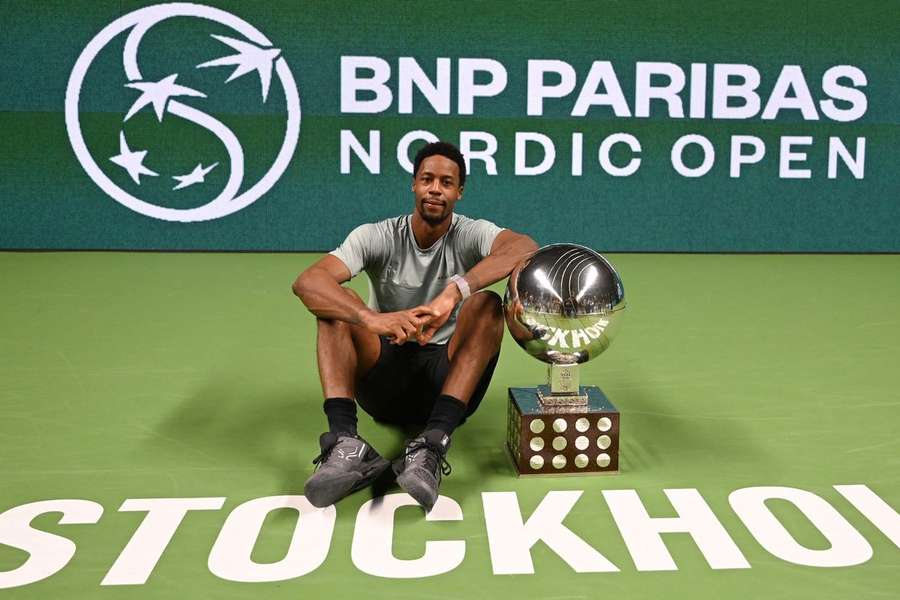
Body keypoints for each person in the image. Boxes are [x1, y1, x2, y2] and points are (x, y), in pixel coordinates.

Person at [292, 141, 537, 511]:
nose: (435, 188)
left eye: (446, 182)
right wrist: (371, 318)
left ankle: (432, 445)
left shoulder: (471, 233)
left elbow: (524, 248)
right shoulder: (376, 235)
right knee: (335, 307)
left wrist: (454, 292)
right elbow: (308, 282)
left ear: (459, 192)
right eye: (427, 179)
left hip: (446, 380)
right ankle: (345, 442)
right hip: (384, 379)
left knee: (487, 304)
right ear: (414, 185)